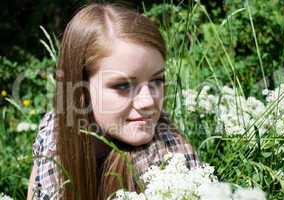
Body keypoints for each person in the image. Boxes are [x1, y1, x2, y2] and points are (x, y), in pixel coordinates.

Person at [27, 3, 200, 200]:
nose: (148, 101)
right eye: (123, 85)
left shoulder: (170, 161)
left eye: (157, 80)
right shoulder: (54, 133)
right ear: (81, 90)